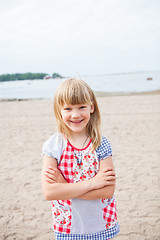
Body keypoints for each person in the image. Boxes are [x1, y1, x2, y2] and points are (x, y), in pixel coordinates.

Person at [41, 78, 120, 239]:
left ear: (91, 107)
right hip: (68, 227)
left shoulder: (101, 144)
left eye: (81, 107)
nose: (75, 115)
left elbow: (107, 191)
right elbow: (50, 192)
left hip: (101, 225)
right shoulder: (53, 146)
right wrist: (92, 183)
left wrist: (64, 187)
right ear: (59, 111)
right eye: (68, 108)